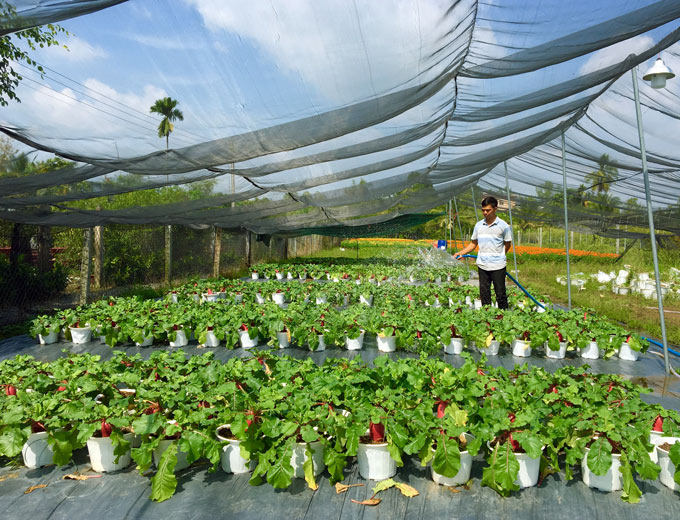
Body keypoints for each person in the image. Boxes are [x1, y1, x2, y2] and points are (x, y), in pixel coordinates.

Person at [453, 196, 512, 309]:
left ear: (495, 209)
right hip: (483, 265)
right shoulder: (479, 225)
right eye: (483, 210)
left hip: (498, 266)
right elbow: (473, 244)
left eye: (488, 210)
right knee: (484, 294)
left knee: (500, 294)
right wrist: (460, 253)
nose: (485, 212)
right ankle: (487, 318)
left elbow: (507, 244)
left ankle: (503, 317)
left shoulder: (503, 226)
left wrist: (499, 255)